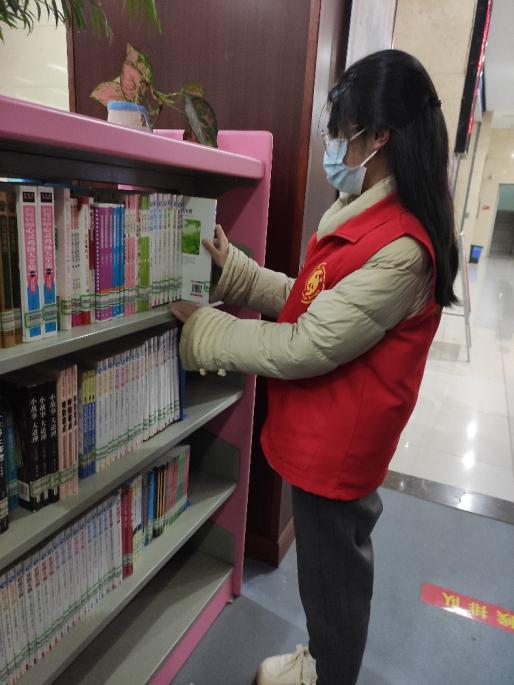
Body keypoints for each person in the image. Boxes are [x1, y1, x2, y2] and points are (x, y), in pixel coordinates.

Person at [170, 48, 458, 685]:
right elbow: (311, 299)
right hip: (324, 435)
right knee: (328, 579)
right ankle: (324, 660)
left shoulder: (402, 248)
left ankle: (330, 674)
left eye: (341, 129)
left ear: (378, 137)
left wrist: (209, 331)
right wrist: (239, 273)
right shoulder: (370, 217)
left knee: (335, 587)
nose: (333, 143)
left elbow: (305, 344)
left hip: (338, 452)